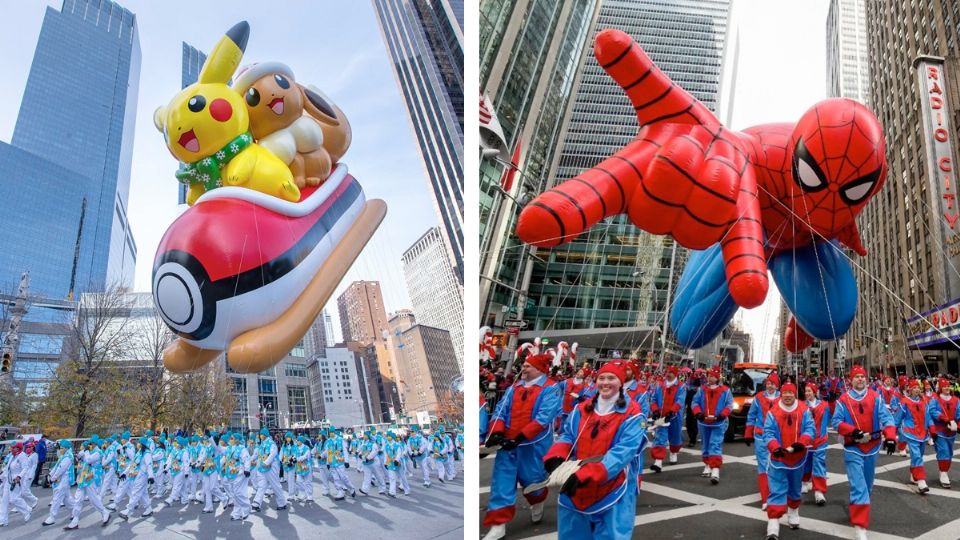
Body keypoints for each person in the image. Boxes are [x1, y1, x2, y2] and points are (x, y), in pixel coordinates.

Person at [542, 360, 645, 539]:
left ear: (621, 382)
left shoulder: (633, 413)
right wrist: (556, 457)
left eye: (611, 378)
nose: (605, 382)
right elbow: (568, 436)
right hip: (575, 488)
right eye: (601, 378)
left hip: (611, 488)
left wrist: (589, 474)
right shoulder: (582, 409)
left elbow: (624, 452)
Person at [482, 353, 561, 540]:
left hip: (533, 445)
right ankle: (498, 524)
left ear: (539, 369)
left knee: (532, 480)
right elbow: (500, 409)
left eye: (527, 366)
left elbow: (544, 417)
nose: (523, 369)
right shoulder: (513, 388)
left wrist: (518, 438)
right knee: (501, 482)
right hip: (507, 445)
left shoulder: (551, 388)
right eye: (523, 365)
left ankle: (538, 500)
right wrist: (497, 433)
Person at [831, 365, 896, 540]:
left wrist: (890, 437)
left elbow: (887, 418)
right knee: (858, 485)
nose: (860, 379)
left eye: (862, 376)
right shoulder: (843, 400)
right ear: (851, 380)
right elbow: (836, 422)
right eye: (856, 376)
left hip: (872, 447)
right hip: (853, 447)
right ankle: (860, 526)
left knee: (867, 485)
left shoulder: (876, 397)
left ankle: (857, 507)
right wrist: (853, 431)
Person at [762, 382, 814, 540]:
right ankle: (773, 524)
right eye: (785, 393)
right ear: (781, 394)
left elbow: (810, 428)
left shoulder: (804, 410)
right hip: (778, 458)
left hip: (797, 458)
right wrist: (774, 446)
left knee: (795, 487)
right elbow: (768, 432)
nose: (788, 396)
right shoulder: (774, 412)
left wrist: (803, 442)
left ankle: (793, 512)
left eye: (790, 393)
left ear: (795, 394)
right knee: (777, 489)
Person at [691, 366, 733, 484]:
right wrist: (698, 413)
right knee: (705, 444)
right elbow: (695, 402)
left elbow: (729, 405)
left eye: (713, 376)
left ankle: (715, 469)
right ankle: (707, 465)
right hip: (704, 422)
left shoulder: (725, 390)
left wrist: (723, 415)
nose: (710, 378)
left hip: (718, 423)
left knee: (715, 444)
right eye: (709, 376)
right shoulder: (701, 389)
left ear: (717, 378)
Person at [745, 373, 780, 509]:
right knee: (763, 466)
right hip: (760, 435)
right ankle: (765, 498)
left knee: (777, 465)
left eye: (772, 383)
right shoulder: (758, 397)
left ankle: (776, 493)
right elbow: (752, 415)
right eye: (768, 383)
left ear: (777, 385)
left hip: (777, 437)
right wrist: (748, 432)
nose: (770, 386)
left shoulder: (783, 397)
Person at [65, 435, 111, 530]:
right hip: (83, 476)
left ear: (94, 443)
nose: (89, 445)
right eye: (89, 443)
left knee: (93, 499)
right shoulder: (88, 451)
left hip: (92, 477)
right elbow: (79, 456)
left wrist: (85, 452)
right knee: (78, 498)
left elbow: (88, 460)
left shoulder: (98, 452)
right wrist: (83, 451)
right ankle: (75, 520)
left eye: (90, 443)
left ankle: (105, 512)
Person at [894, 378, 931, 494]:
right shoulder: (904, 401)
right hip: (910, 432)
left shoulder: (924, 401)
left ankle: (913, 476)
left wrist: (931, 429)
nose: (916, 389)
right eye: (914, 387)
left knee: (919, 454)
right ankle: (921, 481)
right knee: (916, 455)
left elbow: (928, 416)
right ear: (909, 389)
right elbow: (898, 417)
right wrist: (890, 431)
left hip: (923, 432)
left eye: (918, 387)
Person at [649, 365, 687, 472]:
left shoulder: (681, 386)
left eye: (670, 372)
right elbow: (653, 398)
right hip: (662, 417)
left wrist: (672, 411)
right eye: (667, 372)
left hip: (674, 416)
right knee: (660, 437)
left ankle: (674, 452)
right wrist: (655, 410)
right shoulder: (660, 385)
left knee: (675, 436)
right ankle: (658, 461)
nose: (668, 374)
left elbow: (680, 400)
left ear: (675, 374)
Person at [928, 378, 960, 488]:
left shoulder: (956, 400)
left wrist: (958, 425)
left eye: (948, 386)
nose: (947, 388)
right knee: (944, 451)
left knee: (950, 453)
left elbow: (959, 413)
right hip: (940, 430)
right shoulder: (935, 399)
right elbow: (932, 411)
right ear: (940, 388)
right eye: (944, 386)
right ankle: (943, 473)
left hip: (951, 431)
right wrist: (943, 418)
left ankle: (944, 470)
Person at [802, 383, 830, 505]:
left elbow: (832, 415)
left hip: (820, 440)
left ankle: (819, 491)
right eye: (806, 391)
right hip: (807, 440)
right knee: (806, 463)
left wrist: (833, 402)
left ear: (815, 392)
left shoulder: (824, 405)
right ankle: (804, 481)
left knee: (819, 465)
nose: (808, 393)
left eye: (810, 391)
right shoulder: (801, 406)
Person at [119, 437, 154, 520]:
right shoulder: (139, 452)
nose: (137, 444)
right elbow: (132, 463)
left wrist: (151, 476)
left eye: (139, 443)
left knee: (135, 492)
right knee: (143, 493)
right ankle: (148, 509)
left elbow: (149, 465)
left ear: (142, 444)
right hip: (136, 475)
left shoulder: (147, 453)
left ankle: (128, 510)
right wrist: (124, 473)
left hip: (142, 475)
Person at [253, 428, 288, 511]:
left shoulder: (272, 444)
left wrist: (266, 462)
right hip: (262, 468)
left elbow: (273, 454)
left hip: (272, 468)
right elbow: (257, 454)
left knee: (275, 485)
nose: (261, 436)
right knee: (261, 485)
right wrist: (251, 460)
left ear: (266, 435)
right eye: (260, 434)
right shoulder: (261, 444)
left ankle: (282, 503)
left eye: (263, 434)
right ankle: (256, 503)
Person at [41, 439, 75, 526]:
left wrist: (53, 478)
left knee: (57, 498)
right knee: (66, 499)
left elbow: (61, 469)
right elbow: (57, 466)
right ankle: (75, 512)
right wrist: (50, 474)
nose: (60, 449)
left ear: (67, 448)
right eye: (60, 448)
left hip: (64, 479)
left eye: (62, 448)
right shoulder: (63, 455)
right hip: (61, 479)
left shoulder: (68, 457)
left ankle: (52, 517)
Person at [0, 442, 31, 526]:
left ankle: (26, 510)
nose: (12, 449)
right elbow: (7, 469)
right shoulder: (12, 456)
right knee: (4, 500)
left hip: (16, 480)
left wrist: (19, 476)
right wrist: (1, 476)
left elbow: (25, 468)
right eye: (12, 447)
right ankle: (3, 520)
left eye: (13, 447)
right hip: (8, 480)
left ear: (18, 448)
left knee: (13, 499)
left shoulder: (22, 456)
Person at [164, 436, 189, 506]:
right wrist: (166, 468)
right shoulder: (174, 450)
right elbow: (170, 460)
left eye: (177, 443)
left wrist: (186, 472)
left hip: (181, 471)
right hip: (174, 470)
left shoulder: (184, 452)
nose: (176, 444)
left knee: (176, 485)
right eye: (175, 442)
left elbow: (186, 463)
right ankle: (185, 499)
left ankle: (170, 499)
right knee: (182, 486)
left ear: (181, 444)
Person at [384, 431, 410, 497]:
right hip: (390, 464)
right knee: (392, 478)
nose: (388, 437)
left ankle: (407, 489)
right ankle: (392, 492)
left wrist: (396, 460)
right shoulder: (386, 446)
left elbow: (399, 453)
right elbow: (386, 455)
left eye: (389, 436)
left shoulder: (397, 445)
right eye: (387, 436)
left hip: (398, 463)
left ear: (392, 437)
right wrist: (385, 463)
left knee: (402, 477)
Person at [19, 440, 39, 508]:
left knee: (24, 490)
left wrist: (30, 475)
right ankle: (19, 504)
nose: (28, 448)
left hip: (29, 474)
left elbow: (34, 466)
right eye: (27, 447)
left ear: (33, 447)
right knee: (22, 489)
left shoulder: (35, 455)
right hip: (24, 474)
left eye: (30, 447)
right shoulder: (26, 455)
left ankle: (34, 499)